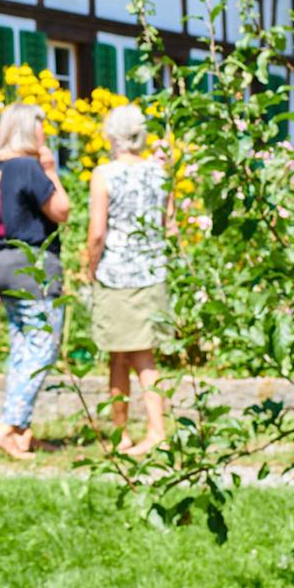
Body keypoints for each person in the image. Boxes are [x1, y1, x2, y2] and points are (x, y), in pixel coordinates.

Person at [0, 101, 72, 460]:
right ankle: (8, 425)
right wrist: (51, 171)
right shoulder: (29, 168)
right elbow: (61, 211)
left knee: (22, 347)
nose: (45, 133)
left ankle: (21, 432)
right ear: (27, 130)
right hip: (33, 267)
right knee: (43, 347)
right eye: (40, 126)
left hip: (3, 263)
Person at [84, 103, 173, 455]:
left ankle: (145, 433)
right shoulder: (160, 173)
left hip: (116, 275)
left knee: (128, 357)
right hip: (152, 273)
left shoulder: (104, 175)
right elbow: (170, 224)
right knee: (135, 355)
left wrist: (90, 267)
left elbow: (97, 232)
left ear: (112, 136)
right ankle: (132, 433)